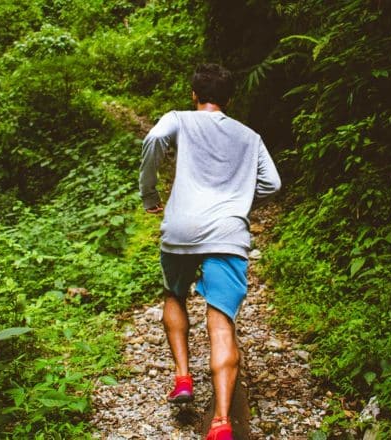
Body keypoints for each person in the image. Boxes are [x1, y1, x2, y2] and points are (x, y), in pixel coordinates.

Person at [139, 63, 281, 440]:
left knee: (174, 293)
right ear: (230, 98)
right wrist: (239, 204)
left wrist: (149, 194)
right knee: (221, 325)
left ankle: (183, 377)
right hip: (228, 233)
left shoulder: (178, 119)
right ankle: (220, 422)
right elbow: (274, 183)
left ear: (194, 94)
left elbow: (153, 140)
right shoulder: (249, 136)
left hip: (181, 229)